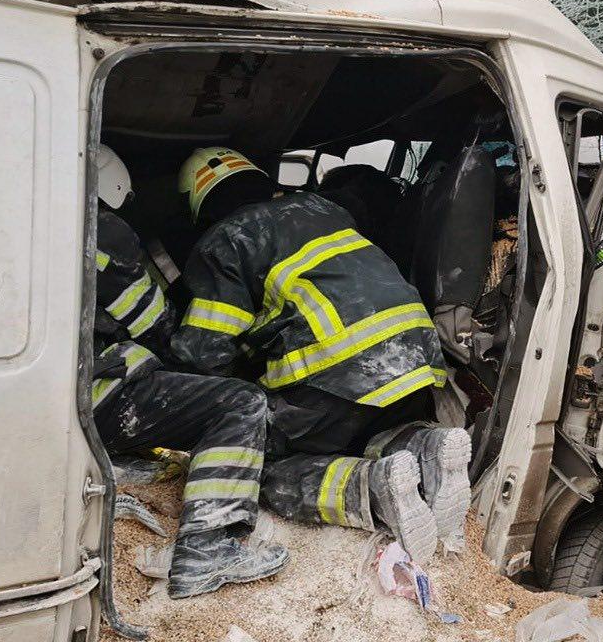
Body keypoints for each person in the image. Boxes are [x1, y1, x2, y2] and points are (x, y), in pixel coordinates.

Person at [169, 147, 471, 563]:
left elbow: (206, 353)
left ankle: (371, 488)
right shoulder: (320, 206)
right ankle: (428, 447)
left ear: (198, 205)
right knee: (367, 432)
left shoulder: (226, 239)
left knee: (264, 467)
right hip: (416, 356)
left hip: (342, 369)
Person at [91, 146, 288, 599]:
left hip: (70, 399)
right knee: (241, 402)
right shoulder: (104, 231)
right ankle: (206, 550)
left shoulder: (37, 225)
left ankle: (118, 461)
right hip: (104, 396)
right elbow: (150, 324)